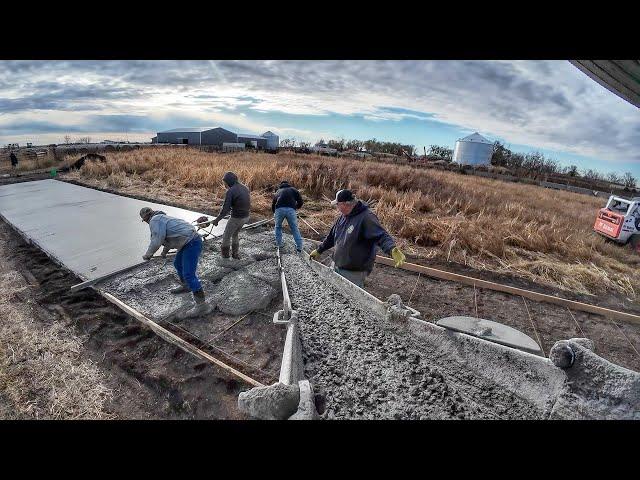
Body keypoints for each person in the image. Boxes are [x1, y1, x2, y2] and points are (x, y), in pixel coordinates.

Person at [309, 189, 406, 288]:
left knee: (349, 300)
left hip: (354, 273)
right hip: (337, 266)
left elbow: (381, 235)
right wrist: (319, 250)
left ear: (345, 204)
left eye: (337, 204)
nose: (337, 207)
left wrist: (391, 248)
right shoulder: (343, 217)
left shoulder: (366, 218)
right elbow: (331, 237)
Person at [139, 207, 211, 318]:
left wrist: (148, 254)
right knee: (178, 264)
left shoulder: (155, 220)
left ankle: (202, 306)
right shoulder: (161, 218)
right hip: (187, 241)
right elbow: (168, 239)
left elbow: (157, 239)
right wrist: (163, 252)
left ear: (146, 218)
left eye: (145, 220)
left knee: (189, 274)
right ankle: (186, 286)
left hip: (191, 242)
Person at [197, 171, 251, 259]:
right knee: (235, 234)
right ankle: (235, 254)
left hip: (237, 217)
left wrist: (217, 220)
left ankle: (225, 257)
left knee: (226, 236)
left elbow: (225, 209)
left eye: (225, 182)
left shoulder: (231, 191)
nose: (224, 185)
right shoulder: (245, 187)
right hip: (246, 216)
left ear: (229, 181)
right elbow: (241, 202)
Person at [272, 180, 304, 252]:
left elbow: (273, 204)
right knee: (294, 228)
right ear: (288, 184)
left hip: (279, 210)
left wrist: (274, 212)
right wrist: (295, 208)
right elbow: (301, 201)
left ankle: (279, 244)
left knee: (278, 227)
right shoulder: (294, 190)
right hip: (291, 210)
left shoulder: (278, 191)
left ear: (281, 185)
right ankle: (299, 247)